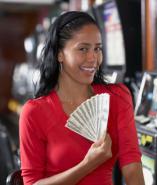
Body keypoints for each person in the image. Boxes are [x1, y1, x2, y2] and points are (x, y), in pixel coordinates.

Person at [19, 11, 145, 185]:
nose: (93, 58)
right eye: (83, 49)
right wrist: (88, 164)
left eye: (97, 48)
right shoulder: (34, 112)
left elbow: (132, 165)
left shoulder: (118, 97)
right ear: (59, 54)